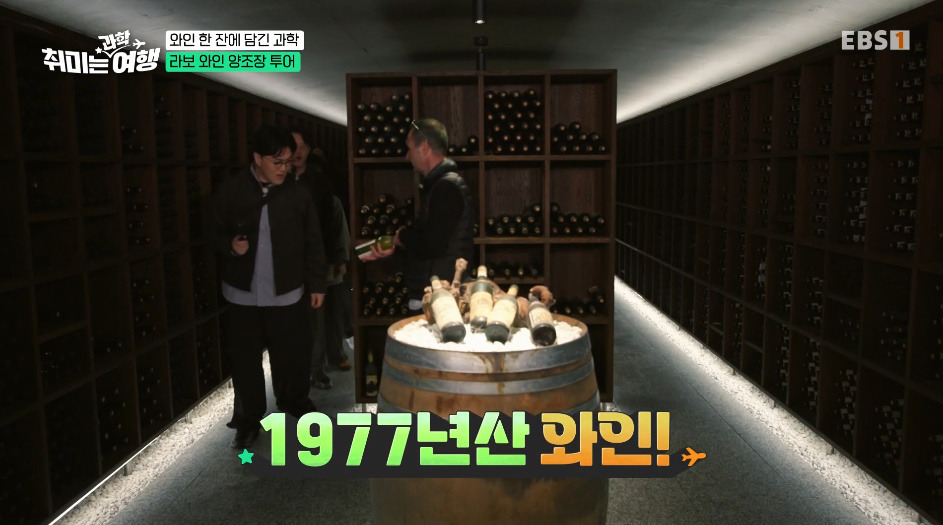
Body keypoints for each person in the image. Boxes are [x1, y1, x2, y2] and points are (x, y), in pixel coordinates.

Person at [213, 125, 327, 450]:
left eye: (287, 162)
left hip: (287, 290)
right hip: (242, 293)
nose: (283, 169)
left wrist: (317, 283)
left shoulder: (298, 194)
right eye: (277, 162)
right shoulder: (232, 190)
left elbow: (313, 240)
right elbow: (212, 230)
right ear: (257, 158)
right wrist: (229, 246)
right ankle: (248, 419)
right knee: (245, 361)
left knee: (292, 354)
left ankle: (294, 402)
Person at [365, 118, 475, 311]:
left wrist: (402, 237)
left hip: (442, 298)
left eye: (409, 149)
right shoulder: (440, 185)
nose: (407, 156)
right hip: (438, 293)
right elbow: (434, 239)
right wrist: (397, 245)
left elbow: (433, 244)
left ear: (424, 148)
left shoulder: (446, 187)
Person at [288, 130, 351, 390]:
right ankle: (310, 368)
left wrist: (338, 257)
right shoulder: (280, 183)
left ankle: (329, 359)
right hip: (293, 262)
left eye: (303, 146)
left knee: (328, 312)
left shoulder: (319, 182)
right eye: (293, 146)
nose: (298, 152)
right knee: (307, 319)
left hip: (321, 257)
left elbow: (332, 221)